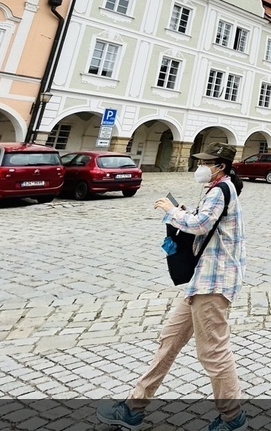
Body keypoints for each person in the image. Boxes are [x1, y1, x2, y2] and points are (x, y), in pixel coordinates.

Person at [97, 143, 248, 431]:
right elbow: (203, 219)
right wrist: (183, 211)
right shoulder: (216, 190)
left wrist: (170, 212)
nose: (201, 166)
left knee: (213, 352)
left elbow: (202, 224)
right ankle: (133, 408)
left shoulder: (221, 190)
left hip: (213, 284)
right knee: (169, 340)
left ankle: (232, 418)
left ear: (221, 167)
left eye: (207, 162)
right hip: (200, 282)